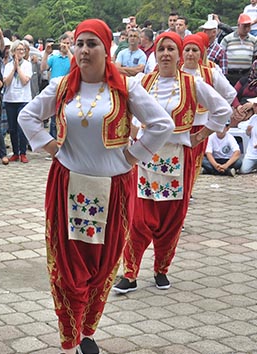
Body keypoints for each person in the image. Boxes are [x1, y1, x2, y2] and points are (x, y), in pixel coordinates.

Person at [18, 19, 174, 354]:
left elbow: (163, 123)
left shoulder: (126, 88)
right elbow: (26, 116)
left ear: (107, 49)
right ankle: (70, 334)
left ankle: (87, 330)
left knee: (103, 264)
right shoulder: (61, 86)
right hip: (68, 184)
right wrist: (51, 147)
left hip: (113, 188)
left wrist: (134, 156)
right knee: (68, 265)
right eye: (80, 43)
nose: (85, 50)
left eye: (92, 44)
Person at [114, 31, 231, 295]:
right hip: (145, 158)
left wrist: (202, 133)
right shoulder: (143, 81)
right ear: (154, 54)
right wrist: (133, 132)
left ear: (179, 55)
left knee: (171, 219)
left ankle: (161, 269)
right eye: (161, 49)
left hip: (179, 157)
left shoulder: (192, 84)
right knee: (139, 218)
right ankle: (130, 273)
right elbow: (126, 109)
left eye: (171, 49)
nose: (165, 54)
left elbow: (222, 108)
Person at [181, 34, 236, 183]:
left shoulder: (210, 73)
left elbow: (230, 93)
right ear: (182, 52)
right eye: (187, 49)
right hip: (179, 126)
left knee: (194, 162)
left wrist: (214, 113)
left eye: (195, 50)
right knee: (179, 161)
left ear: (202, 53)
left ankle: (188, 190)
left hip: (200, 126)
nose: (191, 54)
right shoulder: (175, 72)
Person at [3, 40, 32, 163]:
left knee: (22, 127)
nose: (21, 52)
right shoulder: (8, 65)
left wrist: (18, 68)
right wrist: (13, 68)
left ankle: (23, 152)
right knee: (13, 128)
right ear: (13, 51)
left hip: (23, 99)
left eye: (23, 50)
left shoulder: (27, 64)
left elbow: (25, 80)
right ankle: (15, 152)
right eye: (19, 50)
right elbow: (6, 82)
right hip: (10, 99)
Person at [221, 14, 257, 85]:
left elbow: (255, 58)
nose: (247, 29)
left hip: (246, 75)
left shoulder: (254, 40)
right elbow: (221, 56)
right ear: (238, 25)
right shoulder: (227, 39)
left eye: (249, 26)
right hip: (230, 75)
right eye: (244, 26)